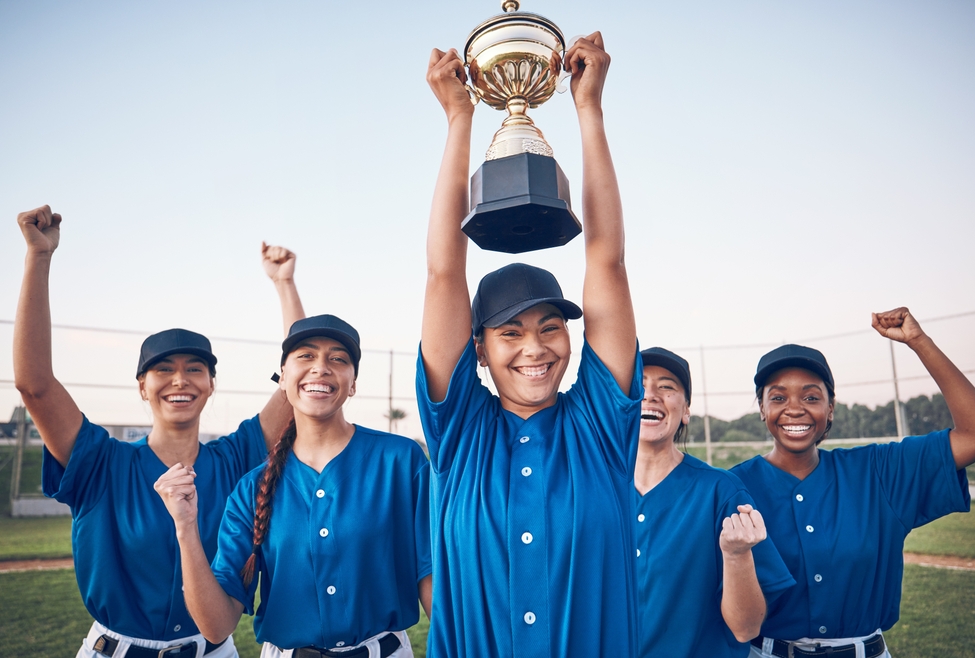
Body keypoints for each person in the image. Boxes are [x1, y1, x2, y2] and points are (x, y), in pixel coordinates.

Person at [419, 33, 642, 657]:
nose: (534, 347)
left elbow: (608, 261)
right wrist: (459, 118)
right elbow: (443, 274)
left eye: (550, 327)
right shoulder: (459, 433)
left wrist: (589, 111)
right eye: (509, 331)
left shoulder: (601, 423)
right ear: (478, 349)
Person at [13, 204, 305, 658]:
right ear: (142, 387)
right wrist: (39, 256)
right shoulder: (101, 462)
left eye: (194, 369)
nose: (180, 379)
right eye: (163, 370)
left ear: (211, 385)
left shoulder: (233, 459)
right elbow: (35, 385)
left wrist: (284, 285)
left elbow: (296, 387)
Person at [155, 314, 432, 658]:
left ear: (353, 382)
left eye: (338, 359)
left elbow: (431, 576)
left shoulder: (400, 460)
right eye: (306, 356)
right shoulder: (252, 488)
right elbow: (217, 624)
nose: (321, 367)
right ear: (283, 379)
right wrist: (185, 528)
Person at [730, 308, 975, 658]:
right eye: (778, 397)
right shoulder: (732, 486)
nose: (794, 408)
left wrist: (920, 342)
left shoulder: (878, 470)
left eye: (811, 397)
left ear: (831, 408)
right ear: (762, 408)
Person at [633, 347, 795, 658]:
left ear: (686, 411)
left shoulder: (722, 491)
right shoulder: (594, 491)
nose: (650, 395)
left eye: (666, 386)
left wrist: (736, 554)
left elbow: (746, 628)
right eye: (637, 387)